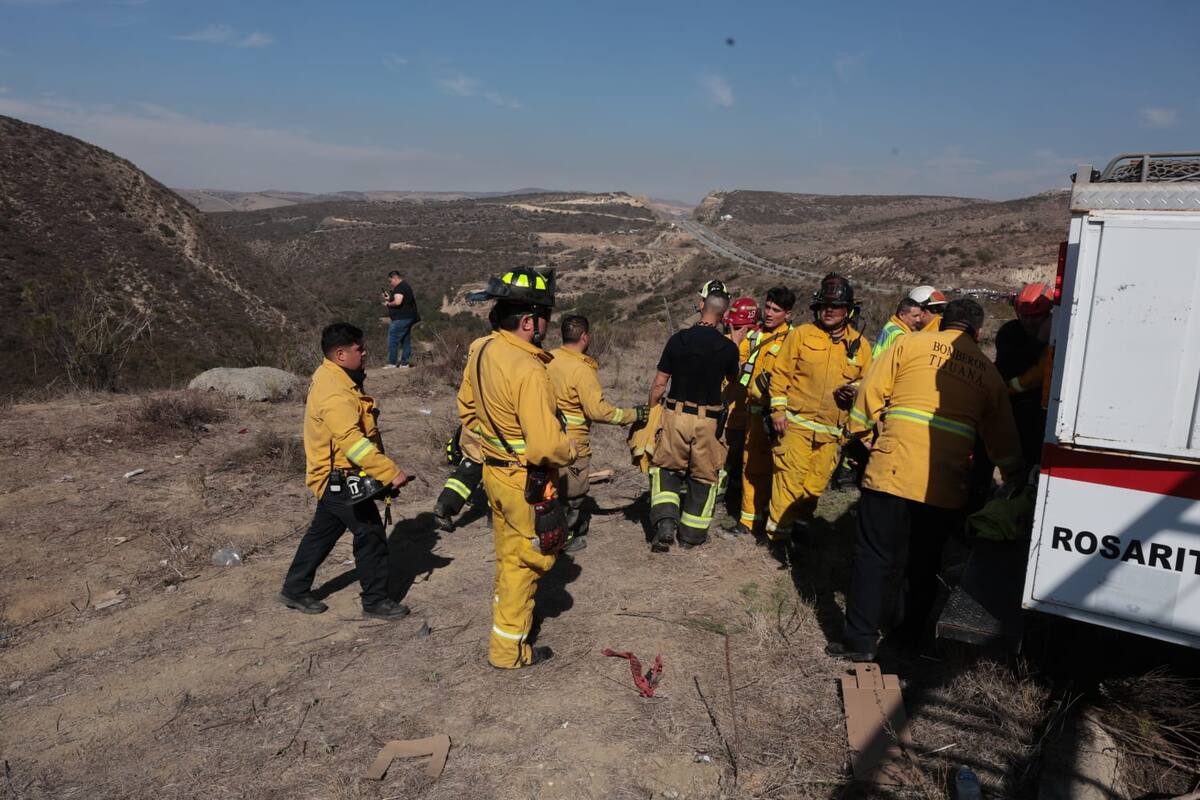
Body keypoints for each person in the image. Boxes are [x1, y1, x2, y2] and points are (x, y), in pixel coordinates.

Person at [828, 299, 1025, 661]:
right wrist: (1013, 473)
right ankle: (907, 637)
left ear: (940, 321)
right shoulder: (985, 369)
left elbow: (871, 389)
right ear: (978, 332)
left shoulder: (908, 343)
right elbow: (1002, 434)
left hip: (892, 468)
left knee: (873, 556)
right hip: (944, 481)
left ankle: (860, 641)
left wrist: (859, 430)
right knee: (924, 562)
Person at [458, 266, 576, 669]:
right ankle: (509, 652)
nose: (546, 324)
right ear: (528, 321)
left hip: (494, 475)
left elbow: (467, 411)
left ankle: (504, 634)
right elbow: (545, 446)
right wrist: (570, 450)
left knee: (509, 559)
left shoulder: (481, 349)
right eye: (544, 317)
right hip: (526, 482)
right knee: (529, 563)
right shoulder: (529, 369)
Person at [280, 322, 412, 619]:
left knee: (323, 532)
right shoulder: (334, 391)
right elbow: (351, 441)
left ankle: (294, 588)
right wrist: (388, 471)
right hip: (337, 477)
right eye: (359, 349)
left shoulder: (336, 378)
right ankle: (376, 601)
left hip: (339, 473)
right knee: (370, 532)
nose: (364, 353)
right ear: (340, 354)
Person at [764, 274, 872, 561]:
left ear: (848, 310)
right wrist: (777, 411)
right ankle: (777, 538)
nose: (828, 310)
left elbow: (868, 382)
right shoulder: (800, 335)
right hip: (795, 424)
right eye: (824, 305)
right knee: (789, 481)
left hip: (830, 431)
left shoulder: (860, 346)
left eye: (835, 306)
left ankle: (800, 527)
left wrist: (855, 390)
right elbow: (781, 375)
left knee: (813, 486)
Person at [647, 286, 741, 551]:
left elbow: (659, 384)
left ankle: (665, 523)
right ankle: (692, 536)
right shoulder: (727, 348)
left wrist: (652, 412)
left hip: (675, 415)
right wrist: (735, 345)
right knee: (703, 476)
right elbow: (734, 383)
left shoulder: (678, 340)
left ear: (703, 306)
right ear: (724, 315)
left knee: (666, 468)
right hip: (708, 422)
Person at [546, 314, 647, 552]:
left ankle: (546, 530)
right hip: (573, 442)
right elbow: (599, 412)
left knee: (551, 487)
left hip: (545, 436)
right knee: (574, 493)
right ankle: (567, 538)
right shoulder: (582, 369)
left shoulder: (547, 359)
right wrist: (634, 415)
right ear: (585, 337)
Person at [730, 286, 795, 535]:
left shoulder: (793, 339)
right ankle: (748, 521)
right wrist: (735, 343)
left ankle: (778, 523)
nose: (769, 313)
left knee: (781, 470)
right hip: (755, 414)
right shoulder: (754, 337)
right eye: (767, 307)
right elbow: (737, 367)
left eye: (776, 310)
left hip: (781, 417)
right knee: (752, 467)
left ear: (787, 314)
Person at [431, 307, 500, 531]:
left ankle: (445, 504)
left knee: (470, 465)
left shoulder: (477, 346)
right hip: (496, 423)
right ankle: (495, 515)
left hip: (472, 420)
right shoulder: (509, 351)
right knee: (498, 469)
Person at [995, 282, 1053, 466]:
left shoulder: (1059, 335)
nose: (1029, 322)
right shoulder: (1009, 332)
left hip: (1039, 413)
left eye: (1035, 317)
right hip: (1010, 407)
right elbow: (1011, 365)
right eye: (1024, 317)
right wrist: (1039, 340)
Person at [719, 297, 761, 520]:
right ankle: (727, 491)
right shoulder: (731, 341)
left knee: (730, 459)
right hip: (731, 412)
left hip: (739, 414)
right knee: (729, 458)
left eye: (735, 326)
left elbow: (734, 373)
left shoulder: (752, 344)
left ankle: (725, 493)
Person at [382, 270, 421, 368]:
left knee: (393, 338)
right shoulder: (405, 286)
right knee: (405, 340)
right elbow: (400, 300)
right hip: (409, 317)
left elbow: (398, 302)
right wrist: (389, 298)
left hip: (401, 318)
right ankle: (405, 363)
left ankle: (392, 362)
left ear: (395, 278)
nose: (390, 283)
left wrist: (388, 304)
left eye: (390, 281)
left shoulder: (400, 287)